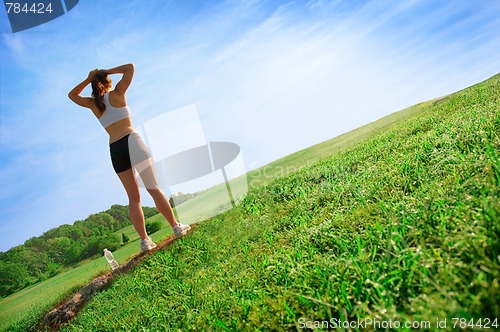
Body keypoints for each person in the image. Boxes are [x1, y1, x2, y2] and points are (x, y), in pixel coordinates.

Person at [68, 63, 191, 252]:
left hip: (115, 148)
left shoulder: (94, 104)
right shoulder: (117, 93)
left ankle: (145, 241)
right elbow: (130, 68)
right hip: (132, 141)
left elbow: (72, 95)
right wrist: (104, 72)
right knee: (153, 187)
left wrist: (89, 78)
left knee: (133, 198)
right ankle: (176, 226)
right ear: (108, 82)